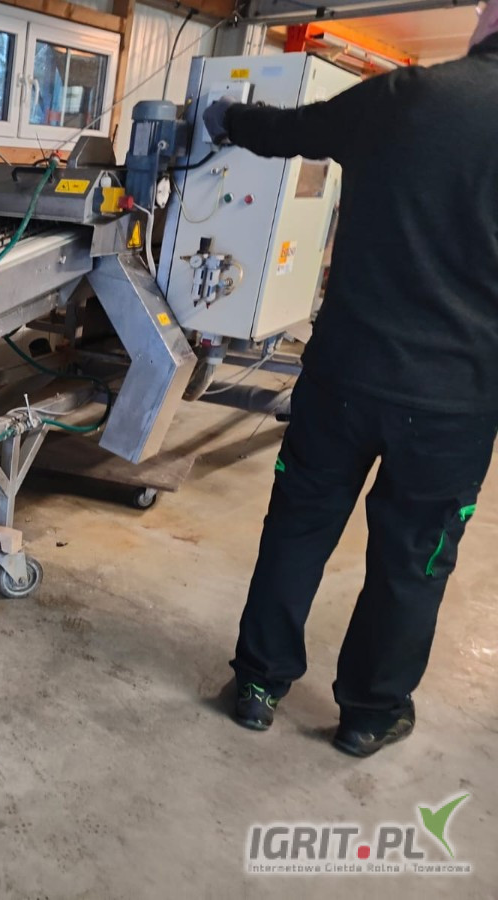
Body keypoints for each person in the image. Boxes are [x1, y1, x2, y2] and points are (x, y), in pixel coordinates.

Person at [202, 3, 498, 757]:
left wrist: (224, 115)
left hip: (345, 374)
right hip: (455, 403)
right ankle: (370, 713)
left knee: (299, 525)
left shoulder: (407, 96)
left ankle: (259, 684)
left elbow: (289, 131)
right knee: (413, 560)